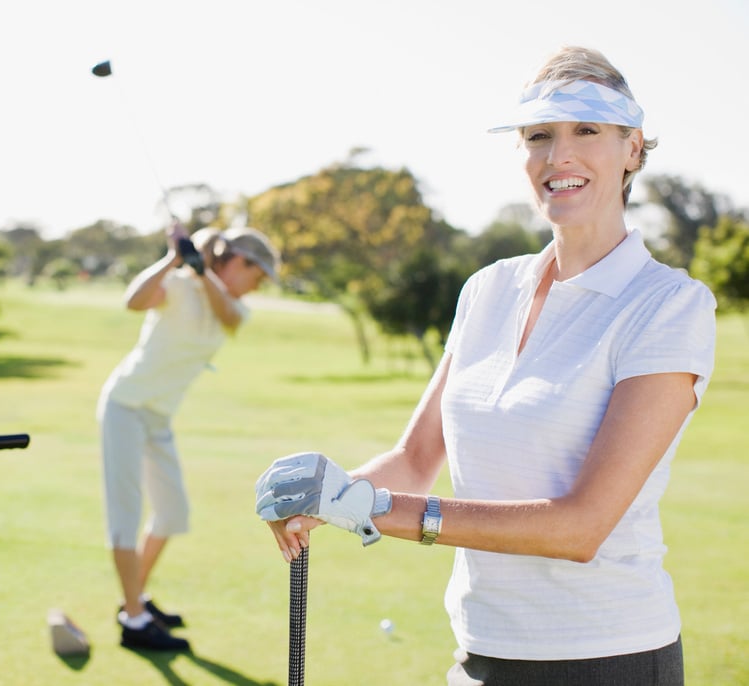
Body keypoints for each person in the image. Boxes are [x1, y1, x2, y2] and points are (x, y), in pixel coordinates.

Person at [255, 45, 716, 685]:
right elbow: (415, 460)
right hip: (480, 652)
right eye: (538, 136)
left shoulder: (668, 304)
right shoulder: (489, 289)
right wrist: (326, 494)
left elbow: (581, 527)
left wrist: (367, 506)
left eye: (587, 130)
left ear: (632, 148)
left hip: (606, 657)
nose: (560, 156)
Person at [100, 222, 280, 651]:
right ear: (238, 262)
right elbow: (133, 301)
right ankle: (136, 621)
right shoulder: (178, 285)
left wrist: (203, 274)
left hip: (158, 418)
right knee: (125, 516)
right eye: (256, 278)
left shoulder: (232, 307)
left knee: (171, 512)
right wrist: (173, 260)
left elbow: (229, 317)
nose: (255, 289)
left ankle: (132, 603)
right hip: (125, 407)